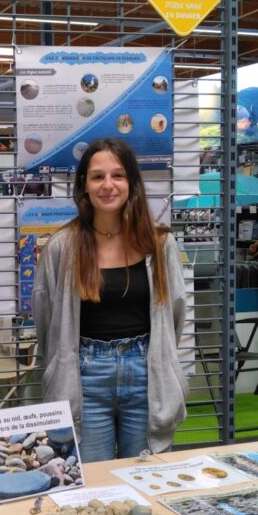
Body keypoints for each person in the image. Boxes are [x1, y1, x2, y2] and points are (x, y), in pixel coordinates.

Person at [33, 138, 189, 462]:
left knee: (147, 478)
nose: (108, 185)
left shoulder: (160, 244)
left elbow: (175, 313)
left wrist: (162, 360)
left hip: (146, 374)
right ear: (83, 186)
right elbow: (46, 320)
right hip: (84, 378)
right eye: (97, 177)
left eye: (117, 175)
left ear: (131, 183)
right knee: (92, 482)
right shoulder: (62, 246)